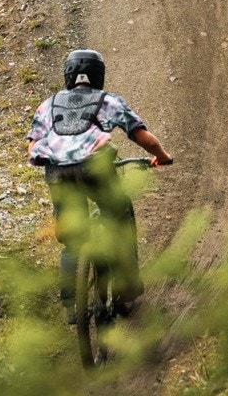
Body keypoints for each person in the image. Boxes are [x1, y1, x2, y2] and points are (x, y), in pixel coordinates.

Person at [27, 49, 173, 322]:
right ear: (99, 75)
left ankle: (71, 306)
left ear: (68, 75)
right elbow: (145, 139)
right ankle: (127, 286)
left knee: (72, 239)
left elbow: (33, 146)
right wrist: (161, 158)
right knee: (119, 218)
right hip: (95, 170)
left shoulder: (48, 105)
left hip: (57, 174)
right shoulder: (108, 101)